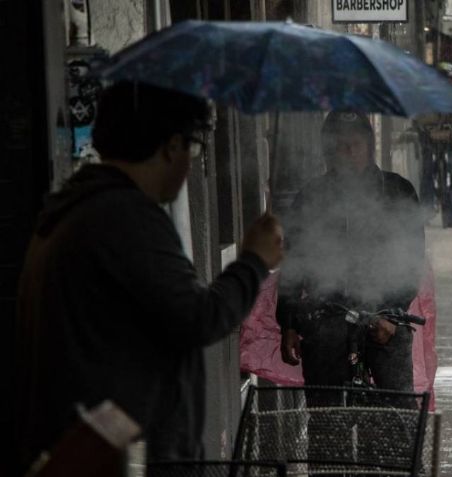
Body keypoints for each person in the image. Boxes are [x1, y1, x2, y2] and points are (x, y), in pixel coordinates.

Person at [14, 81, 284, 471]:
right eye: (194, 148)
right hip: (125, 457)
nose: (190, 163)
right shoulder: (126, 217)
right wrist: (254, 262)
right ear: (172, 146)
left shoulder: (79, 208)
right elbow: (198, 317)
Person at [278, 111, 425, 391]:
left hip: (386, 314)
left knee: (398, 408)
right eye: (340, 145)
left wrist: (393, 314)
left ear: (369, 146)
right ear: (328, 151)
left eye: (355, 144)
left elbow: (413, 262)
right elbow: (293, 265)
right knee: (326, 408)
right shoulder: (310, 197)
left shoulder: (398, 191)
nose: (348, 152)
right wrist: (288, 324)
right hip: (326, 317)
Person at [415, 62, 452, 229]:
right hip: (430, 139)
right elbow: (418, 117)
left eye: (449, 79)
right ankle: (425, 213)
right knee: (427, 174)